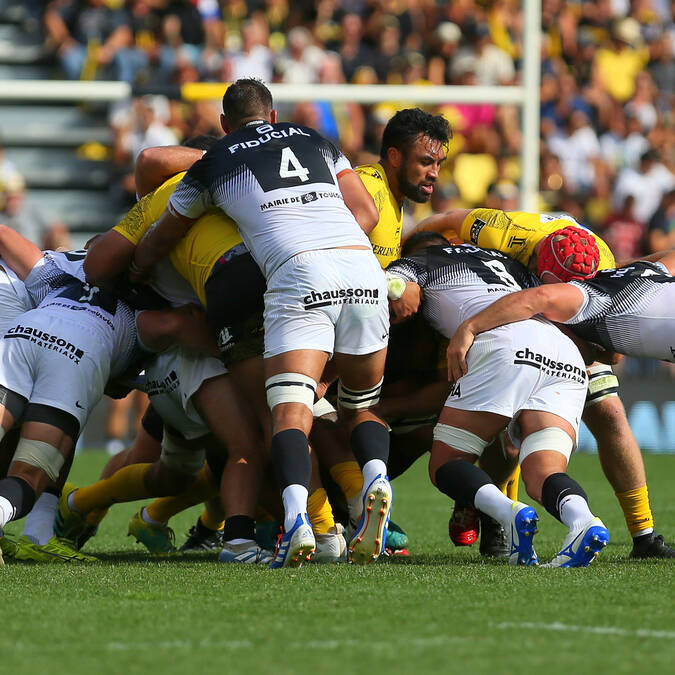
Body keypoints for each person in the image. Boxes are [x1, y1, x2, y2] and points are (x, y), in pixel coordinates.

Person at [131, 78, 392, 567]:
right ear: (273, 116)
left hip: (295, 273)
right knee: (357, 406)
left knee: (287, 413)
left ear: (225, 125)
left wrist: (141, 269)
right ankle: (372, 481)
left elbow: (162, 232)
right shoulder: (317, 140)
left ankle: (300, 520)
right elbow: (366, 212)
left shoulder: (216, 160)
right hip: (362, 269)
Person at [410, 207, 673, 559]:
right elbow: (447, 220)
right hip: (524, 326)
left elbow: (609, 351)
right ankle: (546, 519)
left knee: (606, 411)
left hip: (531, 333)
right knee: (531, 451)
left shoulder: (598, 279)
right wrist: (411, 243)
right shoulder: (505, 230)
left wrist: (467, 328)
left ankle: (640, 533)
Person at [386, 233, 609, 567]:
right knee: (543, 472)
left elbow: (400, 297)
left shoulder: (420, 261)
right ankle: (584, 520)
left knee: (446, 463)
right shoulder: (512, 265)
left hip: (502, 345)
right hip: (564, 355)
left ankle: (509, 513)